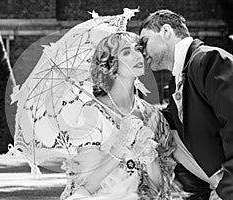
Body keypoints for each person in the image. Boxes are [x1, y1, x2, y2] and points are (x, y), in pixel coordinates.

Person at [60, 32, 188, 200]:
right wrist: (120, 147)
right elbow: (86, 186)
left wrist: (148, 155)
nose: (137, 55)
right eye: (127, 52)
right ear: (110, 65)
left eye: (137, 49)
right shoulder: (92, 114)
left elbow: (160, 189)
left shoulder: (152, 115)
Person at [139, 9, 233, 199]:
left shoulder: (210, 60)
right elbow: (172, 126)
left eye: (144, 41)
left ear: (165, 31)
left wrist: (228, 189)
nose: (141, 50)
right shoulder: (178, 79)